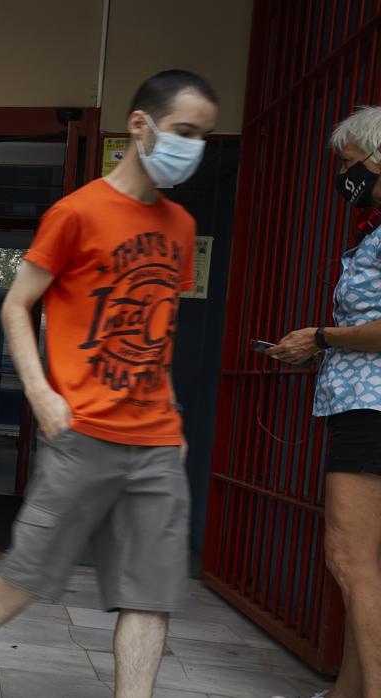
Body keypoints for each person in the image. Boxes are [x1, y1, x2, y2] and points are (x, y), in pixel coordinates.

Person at [0, 69, 217, 698]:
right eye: (184, 132)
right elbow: (16, 305)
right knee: (32, 571)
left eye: (204, 137)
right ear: (140, 125)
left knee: (151, 588)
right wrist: (39, 391)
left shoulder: (182, 229)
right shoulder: (77, 213)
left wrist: (174, 418)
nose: (194, 147)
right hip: (83, 429)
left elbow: (158, 334)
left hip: (157, 442)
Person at [267, 105, 381, 698]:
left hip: (372, 410)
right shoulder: (374, 231)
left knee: (349, 556)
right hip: (361, 401)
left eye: (347, 164)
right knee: (366, 565)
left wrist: (323, 337)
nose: (343, 176)